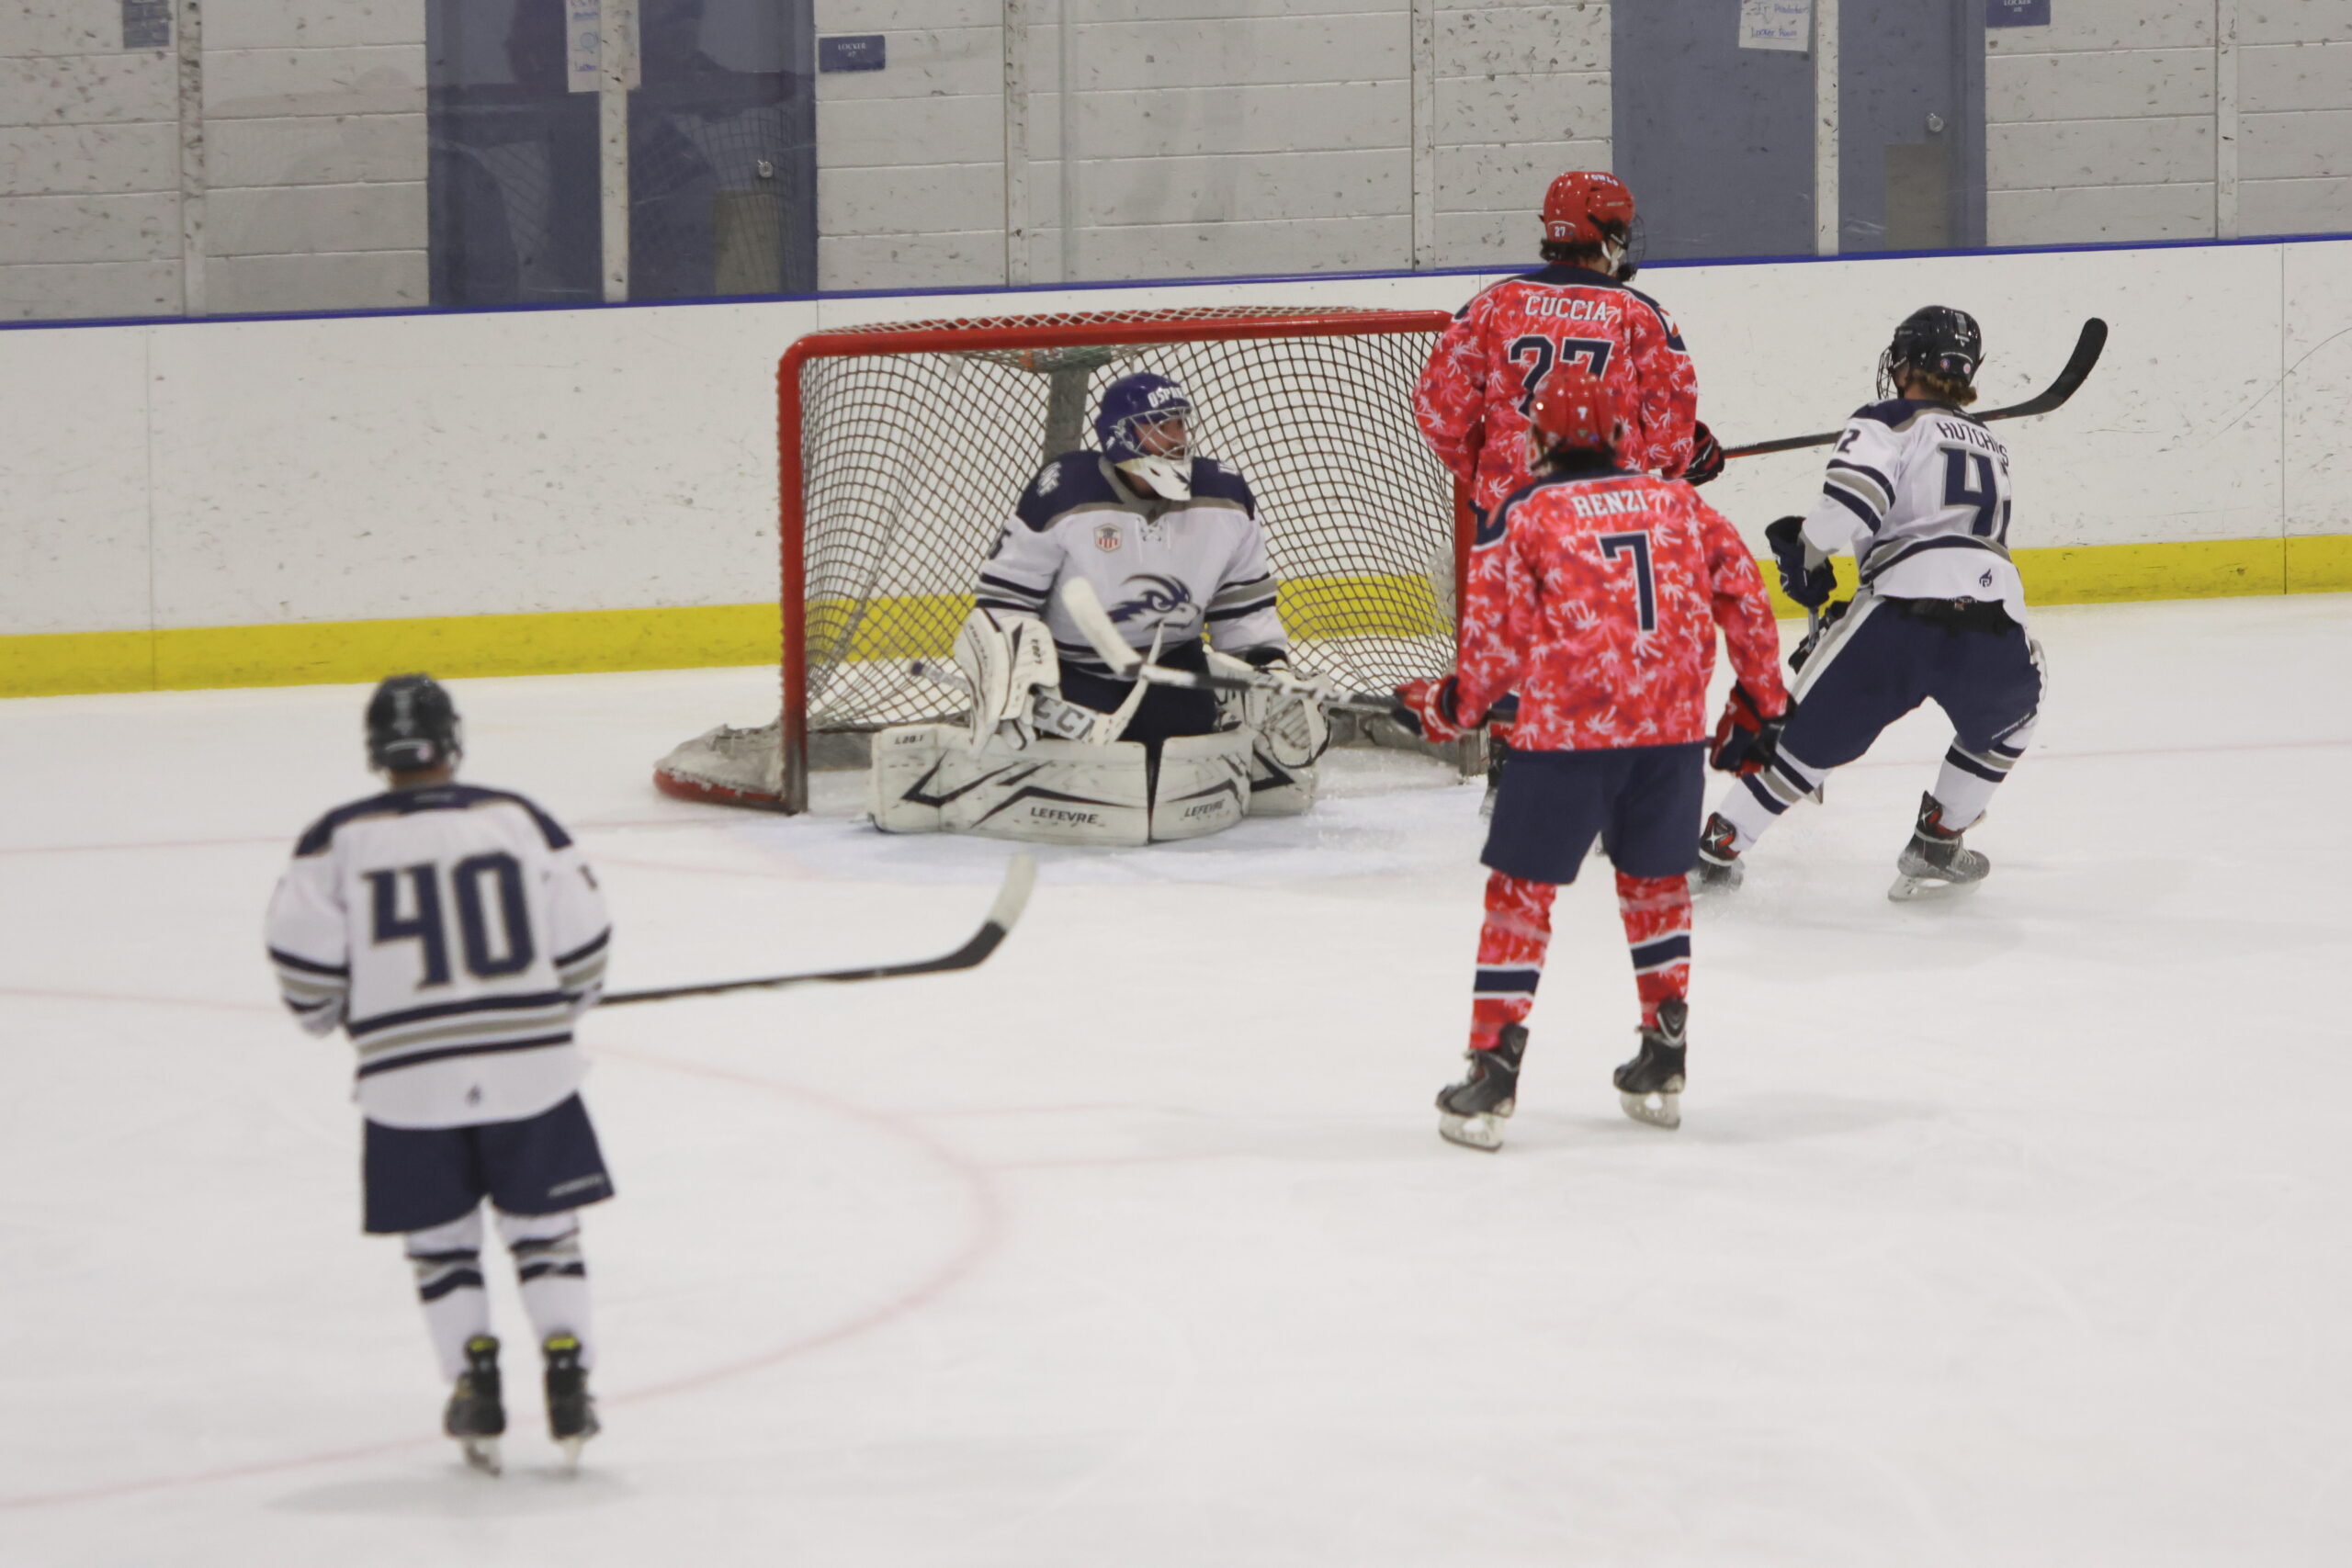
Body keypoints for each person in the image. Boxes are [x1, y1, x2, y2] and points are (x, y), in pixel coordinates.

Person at [1394, 367, 1786, 1149]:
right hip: (1669, 739)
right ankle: (1663, 1055)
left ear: (1540, 437)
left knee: (1520, 897)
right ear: (1617, 434)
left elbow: (1495, 647)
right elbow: (1746, 597)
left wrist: (1449, 707)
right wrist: (1763, 701)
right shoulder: (1682, 504)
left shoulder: (1524, 512)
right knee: (1656, 889)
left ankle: (1493, 1071)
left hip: (1566, 741)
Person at [266, 674, 615, 1473]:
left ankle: (473, 1379)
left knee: (442, 1245)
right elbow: (585, 944)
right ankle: (568, 1372)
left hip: (407, 1082)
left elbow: (305, 975)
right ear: (453, 741)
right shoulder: (517, 818)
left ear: (374, 752)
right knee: (546, 1233)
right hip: (531, 1067)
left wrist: (341, 1012)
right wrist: (553, 1009)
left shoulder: (333, 840)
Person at [869, 370, 1329, 846]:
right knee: (1085, 765)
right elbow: (1005, 601)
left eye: (1179, 424)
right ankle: (970, 757)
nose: (1176, 438)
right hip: (1075, 669)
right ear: (1120, 434)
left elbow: (1242, 609)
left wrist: (1267, 667)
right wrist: (1019, 676)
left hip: (1173, 663)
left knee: (1176, 759)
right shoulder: (1066, 490)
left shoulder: (1225, 495)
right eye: (1159, 426)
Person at [1692, 306, 2043, 902]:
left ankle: (1718, 848)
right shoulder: (1993, 444)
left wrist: (1807, 554)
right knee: (2013, 720)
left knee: (1804, 739)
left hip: (1902, 612)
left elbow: (1850, 509)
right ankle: (1939, 839)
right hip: (1995, 617)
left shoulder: (1886, 420)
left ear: (1907, 363)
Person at [1412, 170, 1722, 808]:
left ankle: (1509, 778)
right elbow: (1669, 434)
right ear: (1607, 234)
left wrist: (1487, 473)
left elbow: (1439, 411)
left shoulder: (1493, 305)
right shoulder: (1638, 314)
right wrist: (1686, 456)